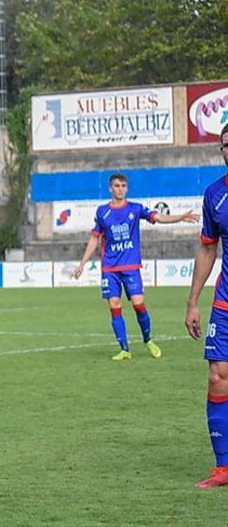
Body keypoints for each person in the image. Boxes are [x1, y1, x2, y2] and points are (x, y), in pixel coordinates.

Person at [74, 173, 198, 360]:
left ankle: (148, 340)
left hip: (131, 266)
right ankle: (124, 349)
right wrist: (82, 263)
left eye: (123, 185)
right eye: (116, 186)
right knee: (115, 305)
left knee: (139, 305)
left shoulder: (135, 208)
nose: (120, 189)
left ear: (127, 188)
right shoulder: (102, 212)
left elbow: (157, 217)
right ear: (110, 188)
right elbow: (94, 238)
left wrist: (180, 217)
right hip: (110, 268)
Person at [185, 122, 228, 489]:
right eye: (226, 144)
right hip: (225, 304)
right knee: (217, 377)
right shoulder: (215, 194)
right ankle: (224, 467)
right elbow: (207, 247)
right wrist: (193, 302)